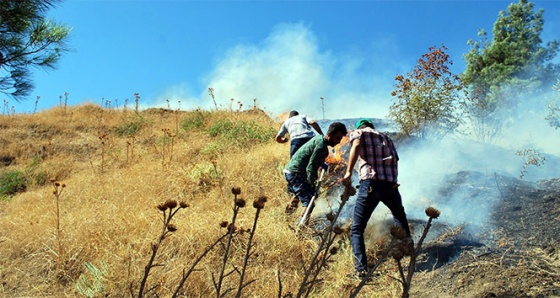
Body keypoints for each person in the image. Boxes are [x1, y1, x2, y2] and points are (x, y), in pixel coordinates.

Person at [343, 118, 412, 278]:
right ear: (372, 127)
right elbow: (396, 159)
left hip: (370, 183)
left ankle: (361, 270)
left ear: (360, 127)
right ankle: (410, 253)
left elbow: (357, 145)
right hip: (390, 185)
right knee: (400, 218)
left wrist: (348, 172)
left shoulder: (358, 132)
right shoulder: (386, 137)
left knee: (357, 229)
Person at [283, 122, 347, 222]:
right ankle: (301, 228)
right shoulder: (322, 147)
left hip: (290, 170)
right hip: (296, 173)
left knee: (298, 195)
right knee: (309, 202)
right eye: (337, 138)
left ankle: (286, 219)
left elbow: (312, 157)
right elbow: (311, 167)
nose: (338, 142)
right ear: (330, 134)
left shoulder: (319, 138)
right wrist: (313, 184)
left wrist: (323, 165)